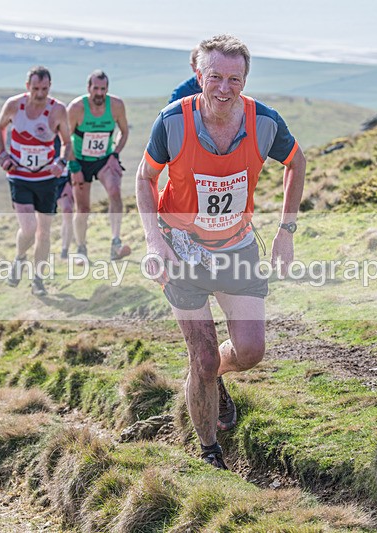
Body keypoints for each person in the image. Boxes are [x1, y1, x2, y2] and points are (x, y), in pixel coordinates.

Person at [136, 35, 306, 470]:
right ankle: (209, 451)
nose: (224, 88)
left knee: (250, 351)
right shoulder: (172, 122)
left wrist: (285, 231)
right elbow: (144, 178)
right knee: (204, 354)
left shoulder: (264, 122)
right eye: (215, 77)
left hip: (236, 247)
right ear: (199, 76)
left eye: (235, 79)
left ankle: (209, 377)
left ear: (245, 79)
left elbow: (296, 162)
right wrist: (154, 241)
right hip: (182, 249)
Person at [0, 65, 73, 296]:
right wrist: (2, 154)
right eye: (36, 88)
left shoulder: (57, 110)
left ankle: (38, 280)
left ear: (50, 87)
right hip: (19, 175)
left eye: (44, 89)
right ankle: (19, 258)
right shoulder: (14, 105)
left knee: (44, 232)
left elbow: (67, 142)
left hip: (46, 178)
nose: (40, 94)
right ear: (27, 86)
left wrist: (61, 162)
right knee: (29, 228)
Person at [67, 70, 131, 262]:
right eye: (96, 88)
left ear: (107, 89)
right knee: (83, 208)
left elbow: (124, 132)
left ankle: (116, 243)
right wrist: (74, 167)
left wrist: (114, 154)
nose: (99, 93)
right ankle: (81, 249)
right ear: (88, 88)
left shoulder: (116, 105)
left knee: (115, 192)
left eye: (103, 89)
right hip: (80, 160)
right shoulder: (76, 108)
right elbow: (65, 140)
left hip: (104, 159)